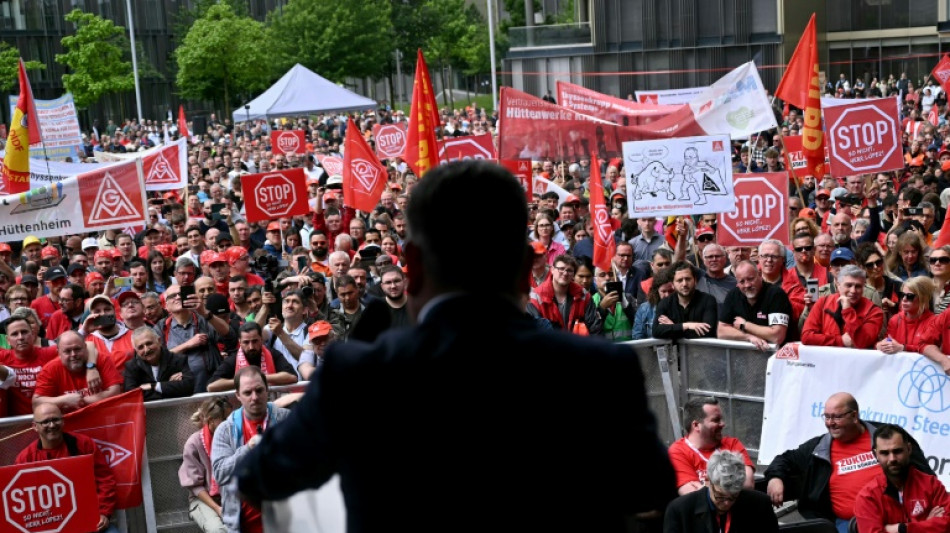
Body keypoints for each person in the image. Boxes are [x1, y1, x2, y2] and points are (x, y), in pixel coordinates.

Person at [235, 160, 676, 530]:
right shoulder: (600, 371)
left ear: (412, 267)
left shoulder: (360, 373)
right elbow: (650, 488)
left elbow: (261, 476)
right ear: (528, 268)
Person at [764, 392, 933, 531]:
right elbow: (784, 459)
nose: (830, 423)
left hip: (901, 516)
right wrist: (775, 478)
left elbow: (924, 474)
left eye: (837, 417)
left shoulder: (888, 436)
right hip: (849, 524)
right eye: (827, 417)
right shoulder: (819, 446)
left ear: (854, 416)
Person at [211, 367, 291, 533]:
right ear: (238, 396)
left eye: (259, 390)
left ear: (267, 389)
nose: (254, 397)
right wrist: (249, 448)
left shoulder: (287, 420)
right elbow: (220, 474)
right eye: (247, 393)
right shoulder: (225, 429)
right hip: (243, 526)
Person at [16, 403, 118, 533]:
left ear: (63, 421)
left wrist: (103, 512)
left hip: (88, 520)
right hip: (49, 526)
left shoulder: (84, 444)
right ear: (35, 427)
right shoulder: (25, 459)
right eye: (45, 422)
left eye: (55, 419)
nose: (52, 425)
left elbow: (105, 480)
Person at [853, 424, 950, 533]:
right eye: (885, 453)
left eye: (897, 451)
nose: (892, 459)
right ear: (876, 455)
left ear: (909, 449)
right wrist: (926, 524)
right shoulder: (868, 497)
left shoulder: (931, 484)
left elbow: (947, 525)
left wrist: (902, 528)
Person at [663, 450, 777, 533]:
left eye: (733, 497)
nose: (727, 503)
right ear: (708, 482)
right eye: (720, 496)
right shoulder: (680, 510)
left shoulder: (760, 504)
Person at [668, 397, 755, 495]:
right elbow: (692, 494)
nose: (722, 424)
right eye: (716, 420)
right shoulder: (678, 452)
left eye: (721, 419)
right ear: (696, 425)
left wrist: (705, 485)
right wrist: (731, 482)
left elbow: (748, 484)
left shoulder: (732, 444)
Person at [33, 331, 123, 412]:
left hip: (102, 418)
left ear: (85, 348)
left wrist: (81, 401)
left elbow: (115, 392)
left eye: (77, 349)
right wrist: (64, 400)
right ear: (58, 352)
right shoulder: (50, 369)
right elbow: (37, 402)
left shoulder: (102, 360)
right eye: (67, 351)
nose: (73, 354)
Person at [179, 396, 232, 533]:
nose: (229, 423)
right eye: (224, 420)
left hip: (231, 495)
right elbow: (195, 487)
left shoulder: (234, 436)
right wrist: (217, 508)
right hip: (203, 499)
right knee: (218, 530)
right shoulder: (193, 443)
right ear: (211, 421)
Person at [717, 260, 796, 349]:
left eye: (750, 279)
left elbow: (777, 336)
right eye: (742, 282)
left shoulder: (776, 294)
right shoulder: (733, 295)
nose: (747, 285)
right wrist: (748, 337)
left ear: (759, 274)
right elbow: (721, 331)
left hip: (776, 355)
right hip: (745, 357)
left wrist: (745, 325)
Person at [801, 265, 885, 348]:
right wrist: (840, 341)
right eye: (848, 285)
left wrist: (848, 311)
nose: (853, 291)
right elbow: (806, 337)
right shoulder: (822, 302)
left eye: (858, 286)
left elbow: (861, 342)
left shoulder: (874, 311)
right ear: (838, 284)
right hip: (826, 360)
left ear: (864, 287)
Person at [206, 322, 297, 392]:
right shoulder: (233, 359)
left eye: (255, 341)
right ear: (240, 342)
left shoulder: (272, 353)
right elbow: (211, 386)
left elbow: (292, 377)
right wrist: (242, 381)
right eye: (246, 342)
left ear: (261, 339)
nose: (251, 347)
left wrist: (261, 378)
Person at [124, 327, 195, 400]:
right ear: (136, 350)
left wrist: (154, 386)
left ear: (159, 341)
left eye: (149, 343)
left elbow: (188, 387)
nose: (146, 350)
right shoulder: (131, 367)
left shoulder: (178, 360)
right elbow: (132, 395)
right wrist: (168, 387)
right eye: (140, 347)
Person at [653, 261, 718, 339]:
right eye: (680, 280)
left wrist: (673, 327)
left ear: (695, 280)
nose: (684, 284)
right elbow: (656, 331)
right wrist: (686, 325)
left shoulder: (708, 300)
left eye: (688, 279)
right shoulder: (665, 303)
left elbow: (707, 332)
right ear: (672, 284)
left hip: (702, 350)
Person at [876, 276, 935, 355]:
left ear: (923, 298)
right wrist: (881, 345)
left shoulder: (933, 322)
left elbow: (931, 349)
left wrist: (903, 348)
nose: (904, 299)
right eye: (902, 294)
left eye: (910, 296)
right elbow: (889, 340)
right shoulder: (895, 319)